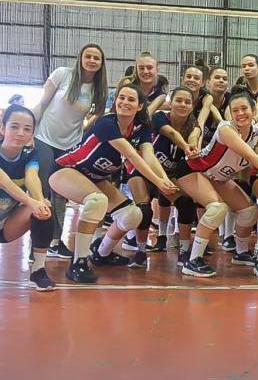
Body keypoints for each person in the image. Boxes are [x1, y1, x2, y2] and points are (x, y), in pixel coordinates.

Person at [49, 84, 177, 283]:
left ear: (140, 105)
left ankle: (102, 254)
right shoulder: (106, 123)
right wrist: (159, 182)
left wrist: (164, 180)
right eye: (121, 98)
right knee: (96, 201)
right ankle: (78, 262)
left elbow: (149, 156)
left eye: (131, 99)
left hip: (96, 178)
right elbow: (132, 156)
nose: (124, 102)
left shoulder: (142, 127)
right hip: (67, 170)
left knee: (132, 215)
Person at [174, 91, 258, 277]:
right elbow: (251, 155)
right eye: (235, 110)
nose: (240, 113)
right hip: (193, 170)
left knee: (249, 211)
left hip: (218, 177)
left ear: (254, 110)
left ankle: (240, 252)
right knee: (217, 209)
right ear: (230, 113)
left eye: (244, 108)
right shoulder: (226, 129)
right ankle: (192, 261)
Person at [33, 43, 108, 260]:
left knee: (61, 195)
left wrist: (82, 132)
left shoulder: (97, 89)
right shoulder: (63, 75)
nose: (92, 60)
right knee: (44, 191)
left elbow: (99, 114)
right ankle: (37, 245)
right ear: (81, 57)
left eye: (97, 57)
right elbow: (42, 103)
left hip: (70, 145)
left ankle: (56, 242)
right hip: (44, 137)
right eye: (88, 56)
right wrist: (29, 129)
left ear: (101, 63)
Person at [126, 86, 201, 266]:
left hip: (168, 175)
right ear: (170, 103)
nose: (182, 104)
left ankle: (184, 252)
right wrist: (185, 146)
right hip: (145, 172)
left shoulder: (193, 124)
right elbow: (171, 133)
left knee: (186, 203)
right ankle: (141, 252)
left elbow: (194, 135)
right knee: (144, 209)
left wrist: (192, 146)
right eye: (179, 100)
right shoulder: (159, 117)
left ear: (192, 105)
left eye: (187, 102)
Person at [0, 104, 56, 291]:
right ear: (3, 128)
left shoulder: (30, 153)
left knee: (45, 208)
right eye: (14, 126)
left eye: (27, 129)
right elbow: (3, 180)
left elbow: (32, 176)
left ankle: (38, 270)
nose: (20, 133)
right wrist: (31, 201)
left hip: (6, 225)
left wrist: (39, 202)